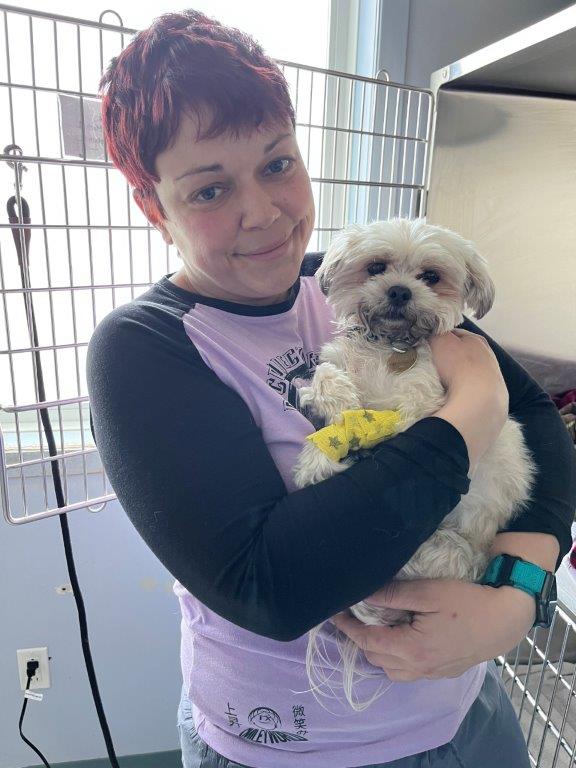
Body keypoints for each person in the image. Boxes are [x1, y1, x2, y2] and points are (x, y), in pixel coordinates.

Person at [88, 10, 575, 768]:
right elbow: (271, 590)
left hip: (466, 712)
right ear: (155, 208)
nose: (263, 213)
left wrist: (516, 597)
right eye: (210, 190)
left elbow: (540, 421)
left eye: (278, 164)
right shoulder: (144, 349)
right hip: (288, 747)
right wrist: (471, 412)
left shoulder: (350, 279)